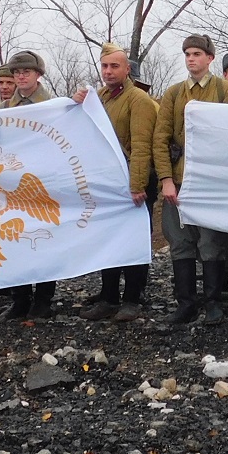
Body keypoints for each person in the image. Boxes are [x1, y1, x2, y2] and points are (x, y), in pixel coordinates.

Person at [154, 33, 228, 326]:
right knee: (180, 241)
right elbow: (160, 138)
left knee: (211, 242)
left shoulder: (225, 90)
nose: (191, 59)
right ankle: (186, 303)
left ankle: (214, 302)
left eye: (197, 54)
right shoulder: (174, 93)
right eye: (188, 54)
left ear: (210, 58)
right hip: (179, 180)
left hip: (211, 183)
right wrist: (166, 179)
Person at [73, 43, 159, 323]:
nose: (108, 72)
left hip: (134, 183)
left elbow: (142, 146)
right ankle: (108, 297)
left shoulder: (139, 100)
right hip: (108, 184)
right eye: (105, 66)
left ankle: (132, 299)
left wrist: (137, 185)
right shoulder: (100, 98)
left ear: (127, 69)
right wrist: (76, 102)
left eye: (114, 66)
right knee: (109, 240)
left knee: (132, 242)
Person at [0, 50, 58, 319]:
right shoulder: (3, 108)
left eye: (27, 72)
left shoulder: (54, 107)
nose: (21, 76)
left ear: (38, 75)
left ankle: (43, 299)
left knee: (43, 240)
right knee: (12, 239)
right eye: (17, 72)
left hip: (40, 184)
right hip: (10, 187)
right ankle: (19, 299)